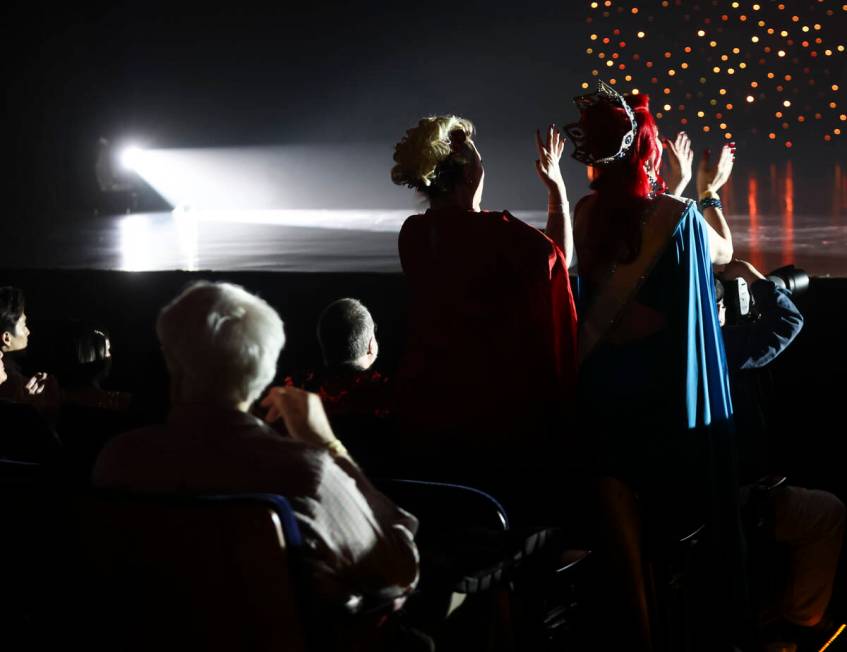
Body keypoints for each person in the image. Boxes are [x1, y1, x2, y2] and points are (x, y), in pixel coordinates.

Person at [93, 282, 420, 634]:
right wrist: (329, 446)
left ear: (172, 362)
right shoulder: (307, 472)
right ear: (264, 368)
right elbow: (398, 573)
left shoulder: (117, 459)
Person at [564, 81, 739, 650]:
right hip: (659, 401)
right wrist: (707, 192)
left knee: (622, 543)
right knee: (669, 536)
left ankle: (633, 632)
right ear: (649, 151)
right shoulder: (678, 215)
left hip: (600, 396)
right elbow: (724, 253)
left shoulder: (587, 213)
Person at [389, 115, 578, 487]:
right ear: (470, 174)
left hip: (433, 399)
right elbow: (560, 257)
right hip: (495, 405)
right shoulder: (499, 234)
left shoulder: (413, 233)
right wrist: (557, 187)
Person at [718, 259, 844, 649]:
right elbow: (787, 322)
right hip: (731, 504)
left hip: (683, 503)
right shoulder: (720, 349)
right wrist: (756, 280)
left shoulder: (656, 348)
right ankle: (799, 625)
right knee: (828, 514)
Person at [0, 286, 58, 407]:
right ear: (6, 338)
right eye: (23, 325)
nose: (28, 331)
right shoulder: (6, 380)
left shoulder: (8, 368)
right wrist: (28, 404)